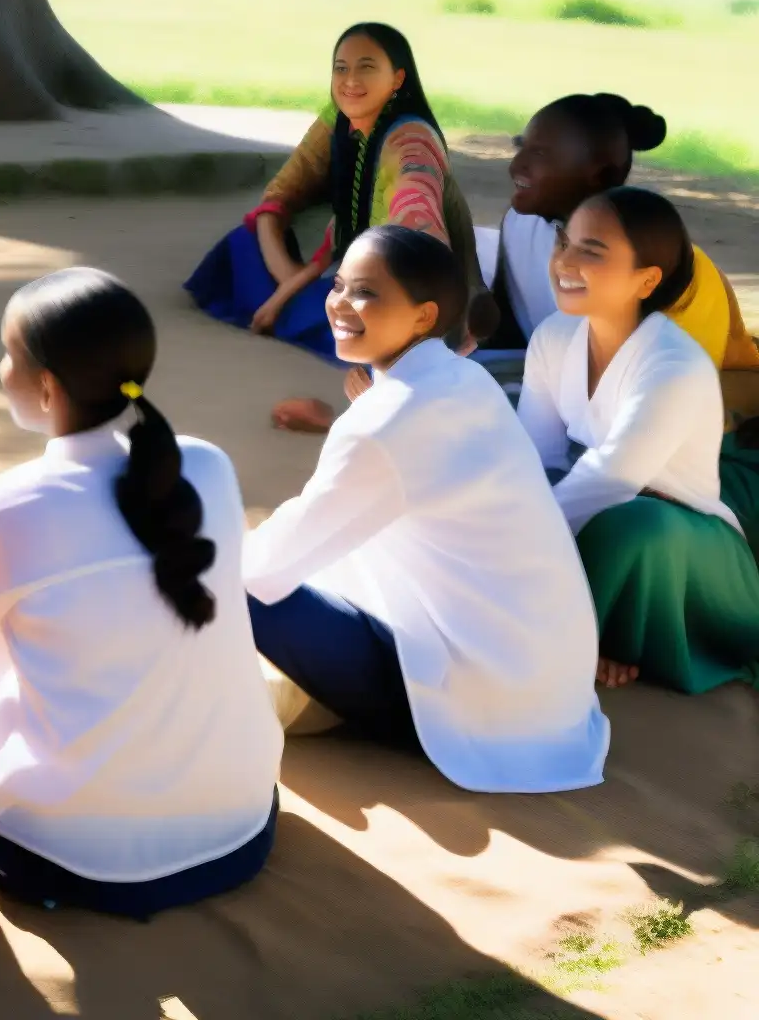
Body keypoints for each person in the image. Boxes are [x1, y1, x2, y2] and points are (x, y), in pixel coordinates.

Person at [0, 269, 281, 917]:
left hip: (75, 859)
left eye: (9, 354)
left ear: (48, 386)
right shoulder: (209, 466)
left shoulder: (2, 509)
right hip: (239, 831)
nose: (0, 366)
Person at [245, 226, 608, 793]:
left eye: (365, 292)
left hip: (478, 713)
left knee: (226, 579)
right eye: (338, 284)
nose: (339, 302)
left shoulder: (387, 421)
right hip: (548, 698)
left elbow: (268, 565)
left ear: (422, 317)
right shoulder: (467, 379)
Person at [517, 187, 759, 693]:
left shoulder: (675, 365)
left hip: (683, 547)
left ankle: (582, 637)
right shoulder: (553, 337)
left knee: (633, 524)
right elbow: (535, 457)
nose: (566, 260)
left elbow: (610, 478)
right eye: (566, 241)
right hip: (591, 511)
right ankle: (590, 631)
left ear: (646, 279)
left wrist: (510, 548)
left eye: (593, 252)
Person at [185, 23, 478, 366]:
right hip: (342, 263)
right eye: (341, 68)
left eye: (366, 68)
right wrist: (287, 282)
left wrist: (289, 295)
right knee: (243, 242)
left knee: (345, 315)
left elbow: (417, 240)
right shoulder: (340, 117)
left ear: (397, 79)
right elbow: (283, 193)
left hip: (387, 282)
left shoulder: (411, 144)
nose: (350, 80)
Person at [481, 94, 758, 411]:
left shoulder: (662, 261)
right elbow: (509, 321)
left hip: (701, 391)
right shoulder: (521, 223)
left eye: (541, 154)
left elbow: (670, 389)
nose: (516, 165)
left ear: (601, 176)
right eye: (521, 147)